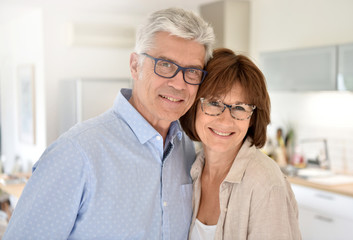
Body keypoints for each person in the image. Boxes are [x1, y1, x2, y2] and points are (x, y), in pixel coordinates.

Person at [3, 8, 215, 240]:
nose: (178, 84)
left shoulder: (188, 150)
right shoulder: (75, 154)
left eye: (192, 71)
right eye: (165, 65)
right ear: (135, 66)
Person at [180, 48, 302, 239]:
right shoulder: (190, 170)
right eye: (213, 103)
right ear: (194, 107)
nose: (225, 120)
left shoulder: (265, 184)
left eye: (239, 107)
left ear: (252, 118)